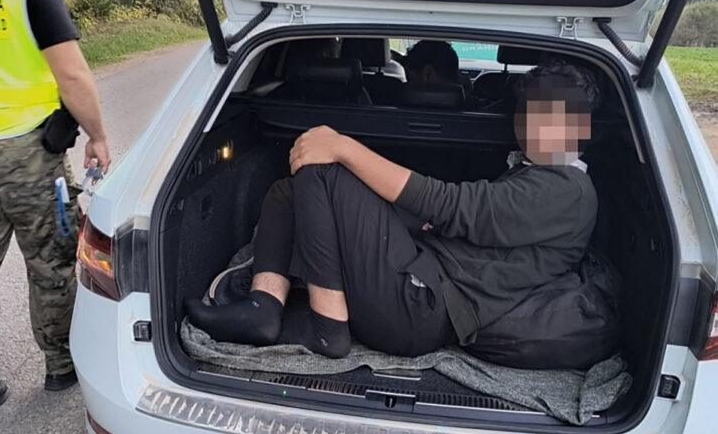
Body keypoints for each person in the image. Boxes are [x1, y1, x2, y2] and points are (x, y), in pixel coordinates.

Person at [188, 61, 599, 360]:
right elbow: (470, 222)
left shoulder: (567, 188)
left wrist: (344, 147)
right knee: (288, 191)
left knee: (323, 170)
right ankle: (262, 308)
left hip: (424, 306)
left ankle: (327, 329)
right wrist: (419, 222)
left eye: (556, 117)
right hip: (419, 276)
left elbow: (453, 205)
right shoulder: (538, 173)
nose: (535, 126)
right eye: (530, 112)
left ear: (582, 126)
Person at [0, 0, 110, 422]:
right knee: (50, 260)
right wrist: (97, 135)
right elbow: (71, 73)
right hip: (27, 150)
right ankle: (61, 364)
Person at [403, 40, 474, 94]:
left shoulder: (401, 106)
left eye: (411, 79)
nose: (408, 86)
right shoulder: (473, 108)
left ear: (427, 74)